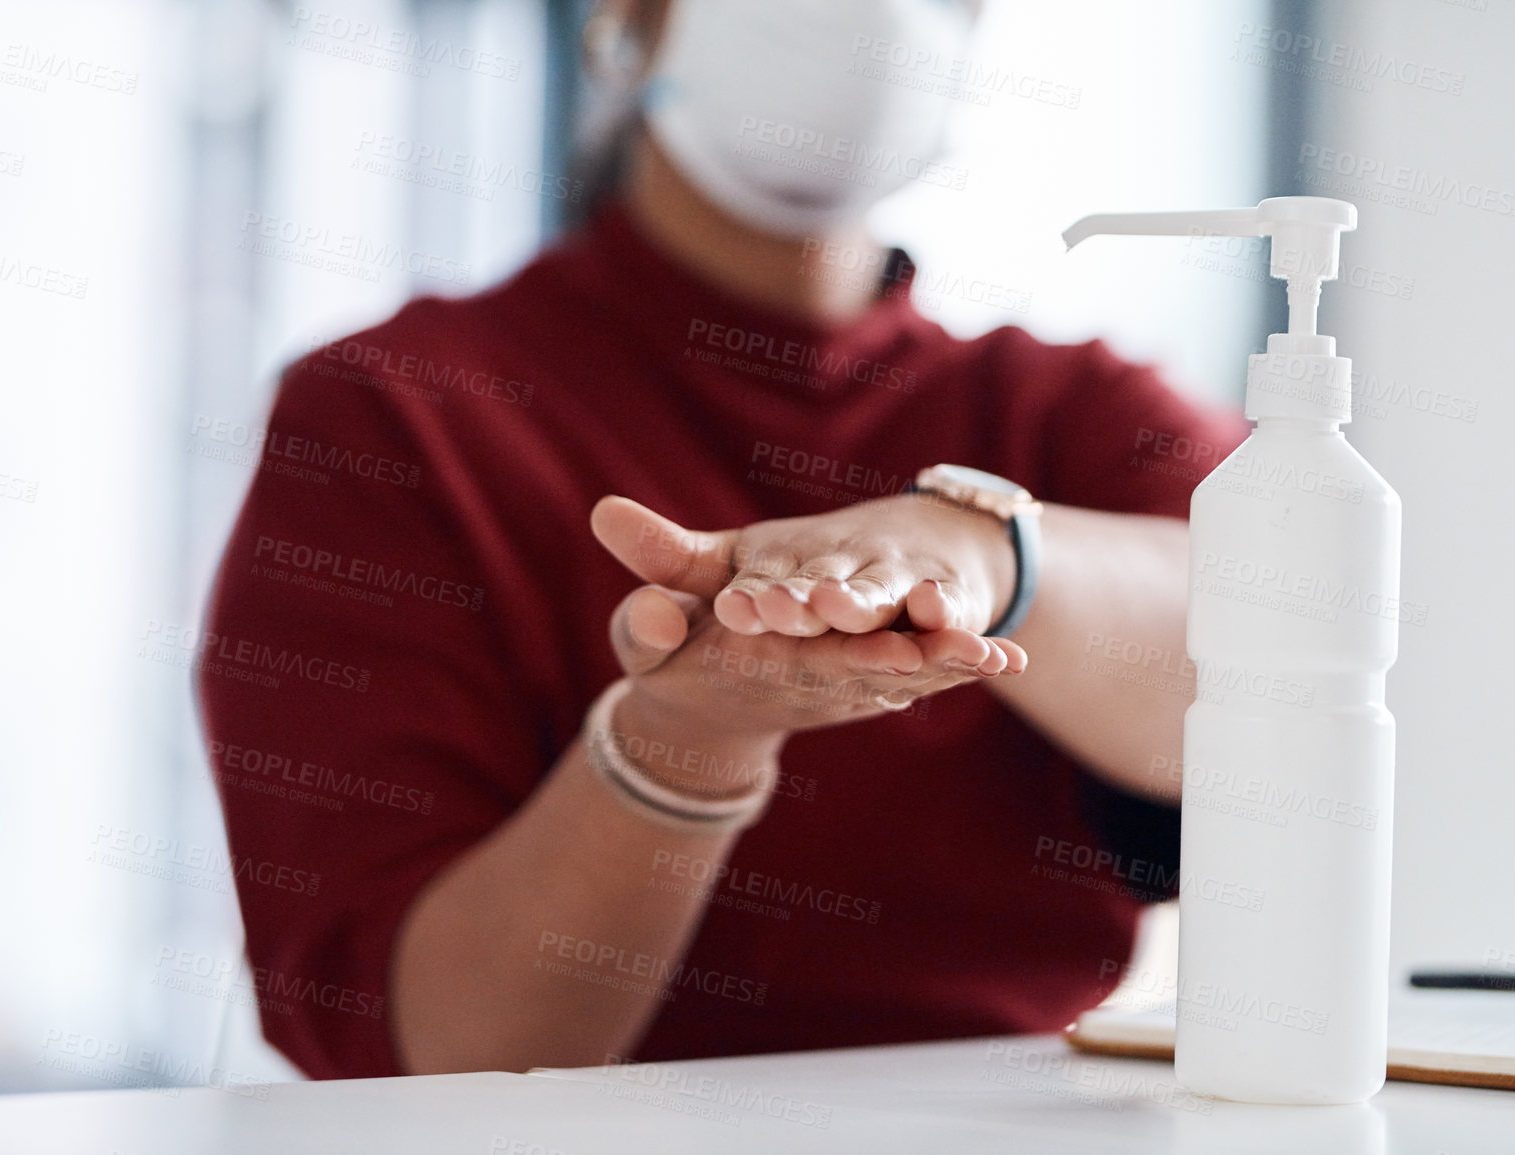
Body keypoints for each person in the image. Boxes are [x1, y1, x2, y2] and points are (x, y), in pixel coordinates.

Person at [198, 0, 1247, 1080]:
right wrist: (683, 741)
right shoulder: (394, 418)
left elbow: (1280, 676)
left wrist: (986, 554)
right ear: (624, 21)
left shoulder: (1069, 414)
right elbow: (441, 1046)